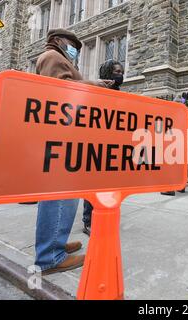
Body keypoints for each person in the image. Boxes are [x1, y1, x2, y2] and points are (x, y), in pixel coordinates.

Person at [34, 28, 115, 275]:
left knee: (65, 196)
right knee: (59, 196)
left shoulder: (59, 58)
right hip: (61, 136)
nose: (76, 50)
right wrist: (95, 83)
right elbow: (59, 91)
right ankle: (49, 256)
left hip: (66, 135)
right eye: (73, 44)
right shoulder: (52, 57)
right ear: (59, 41)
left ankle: (55, 242)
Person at [82, 59, 125, 236]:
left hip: (114, 146)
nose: (120, 75)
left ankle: (105, 216)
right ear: (107, 74)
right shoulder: (96, 91)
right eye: (116, 72)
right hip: (96, 145)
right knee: (93, 185)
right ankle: (88, 221)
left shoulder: (119, 93)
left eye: (121, 71)